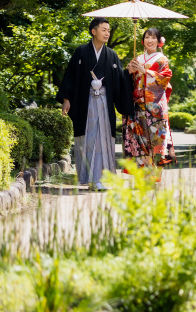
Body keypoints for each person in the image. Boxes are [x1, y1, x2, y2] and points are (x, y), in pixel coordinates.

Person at [56, 17, 133, 190]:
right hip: (86, 103)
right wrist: (66, 99)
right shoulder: (81, 52)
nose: (107, 33)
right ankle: (89, 177)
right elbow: (71, 76)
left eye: (108, 30)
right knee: (89, 139)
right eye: (104, 29)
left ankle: (101, 178)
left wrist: (129, 72)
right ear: (94, 31)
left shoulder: (112, 55)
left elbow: (120, 80)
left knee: (103, 138)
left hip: (104, 103)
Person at [123, 27, 173, 176]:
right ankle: (141, 175)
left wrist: (145, 71)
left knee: (156, 139)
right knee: (139, 140)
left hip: (155, 106)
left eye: (153, 38)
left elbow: (164, 79)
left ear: (159, 42)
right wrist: (129, 72)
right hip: (138, 105)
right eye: (146, 37)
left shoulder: (162, 59)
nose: (149, 40)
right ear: (143, 41)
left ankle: (154, 175)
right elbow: (131, 82)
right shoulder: (137, 58)